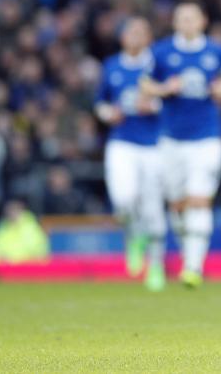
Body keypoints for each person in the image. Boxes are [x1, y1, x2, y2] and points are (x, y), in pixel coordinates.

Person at [141, 3, 221, 288]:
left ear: (203, 20)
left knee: (199, 197)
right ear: (175, 22)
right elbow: (145, 84)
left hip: (207, 137)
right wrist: (163, 89)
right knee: (178, 204)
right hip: (171, 138)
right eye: (181, 18)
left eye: (192, 18)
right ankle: (188, 257)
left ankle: (194, 267)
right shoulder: (161, 52)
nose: (187, 23)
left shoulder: (216, 50)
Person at [94, 17, 167, 291]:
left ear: (149, 37)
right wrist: (107, 114)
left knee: (153, 208)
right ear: (122, 36)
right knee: (123, 199)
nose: (135, 37)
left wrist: (156, 104)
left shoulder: (157, 64)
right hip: (122, 142)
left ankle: (156, 266)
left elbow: (173, 98)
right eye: (130, 32)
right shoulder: (112, 66)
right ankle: (134, 235)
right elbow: (99, 103)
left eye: (141, 32)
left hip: (155, 144)